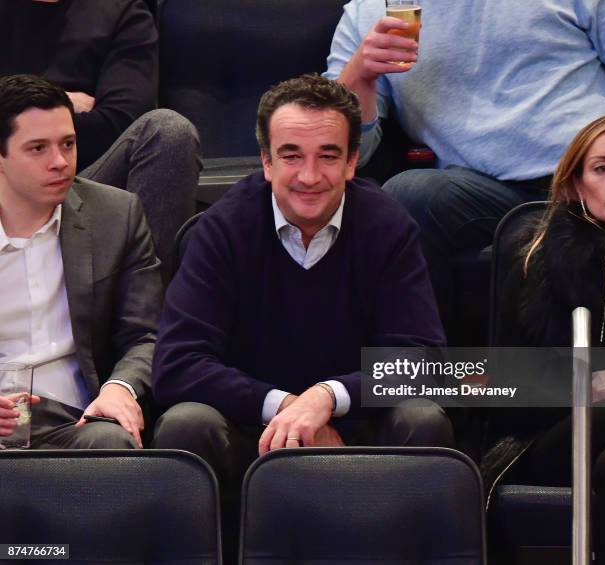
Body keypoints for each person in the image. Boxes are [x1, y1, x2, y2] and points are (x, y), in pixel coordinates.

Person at [152, 73, 452, 477]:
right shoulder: (223, 228)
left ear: (351, 162)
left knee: (422, 418)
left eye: (327, 156)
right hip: (252, 432)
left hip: (357, 432)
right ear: (266, 162)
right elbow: (177, 364)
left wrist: (330, 397)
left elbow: (423, 360)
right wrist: (288, 406)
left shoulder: (387, 225)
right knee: (186, 423)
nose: (309, 177)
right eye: (291, 156)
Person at [324, 0, 605, 331]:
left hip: (589, 177)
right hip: (484, 191)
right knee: (409, 194)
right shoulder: (370, 12)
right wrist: (360, 72)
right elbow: (333, 143)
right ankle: (424, 373)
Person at [0, 74, 163, 449]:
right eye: (38, 148)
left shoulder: (116, 215)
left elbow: (145, 334)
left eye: (68, 144)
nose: (60, 162)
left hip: (77, 417)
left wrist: (120, 388)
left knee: (111, 443)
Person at [482, 114, 605, 563]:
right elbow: (507, 389)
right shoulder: (533, 260)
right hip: (542, 436)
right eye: (602, 169)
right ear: (576, 184)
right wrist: (592, 386)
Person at [0, 0, 203, 280]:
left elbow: (118, 122)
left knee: (168, 131)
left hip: (90, 180)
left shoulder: (120, 11)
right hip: (7, 182)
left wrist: (26, 132)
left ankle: (143, 306)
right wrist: (65, 101)